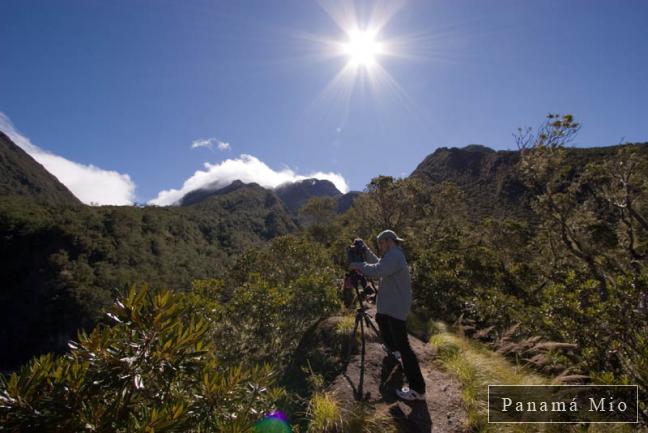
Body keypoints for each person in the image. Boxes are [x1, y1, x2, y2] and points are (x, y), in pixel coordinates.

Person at [348, 229, 426, 401]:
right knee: (381, 319)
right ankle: (394, 351)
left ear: (388, 241)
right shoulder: (392, 255)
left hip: (396, 307)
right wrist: (365, 250)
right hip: (390, 306)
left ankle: (418, 390)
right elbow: (378, 263)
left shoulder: (395, 256)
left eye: (380, 244)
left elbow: (377, 270)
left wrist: (357, 265)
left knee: (405, 347)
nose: (380, 247)